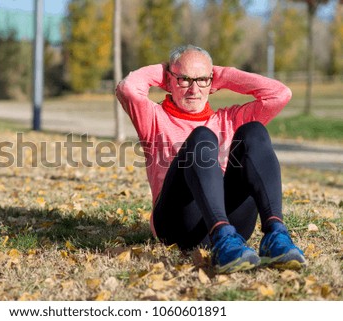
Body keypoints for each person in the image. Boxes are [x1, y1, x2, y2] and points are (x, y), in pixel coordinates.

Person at [116, 45, 306, 274]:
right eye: (184, 80)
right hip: (177, 225)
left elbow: (279, 94)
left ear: (212, 82)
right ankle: (222, 237)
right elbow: (128, 88)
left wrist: (223, 76)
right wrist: (166, 73)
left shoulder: (229, 119)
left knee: (254, 131)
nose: (194, 89)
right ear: (169, 81)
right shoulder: (154, 117)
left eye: (203, 80)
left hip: (235, 226)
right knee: (202, 137)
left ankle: (276, 235)